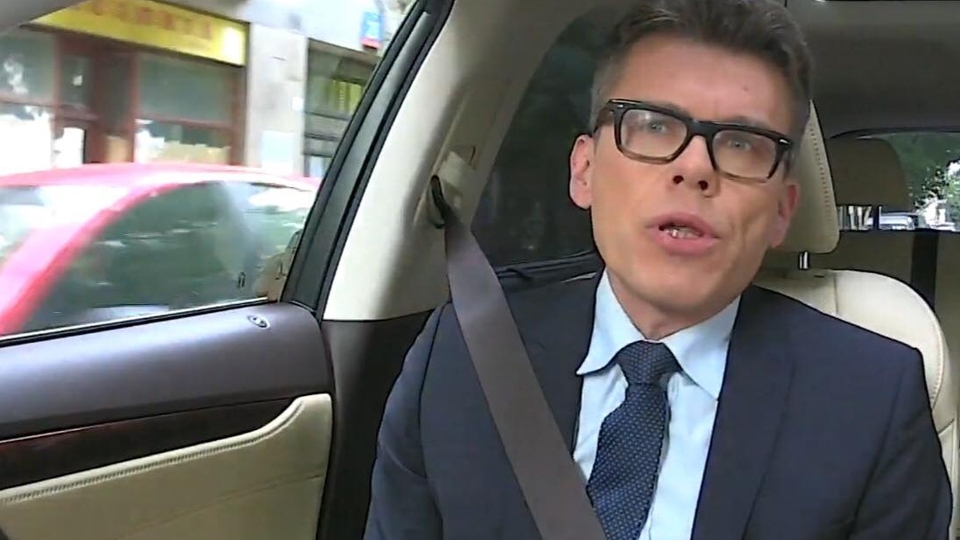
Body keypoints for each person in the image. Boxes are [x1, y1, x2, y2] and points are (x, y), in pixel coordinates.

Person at [363, 0, 953, 538]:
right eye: (652, 125)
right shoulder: (465, 354)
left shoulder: (874, 402)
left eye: (742, 143)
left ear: (782, 210)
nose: (695, 167)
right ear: (584, 171)